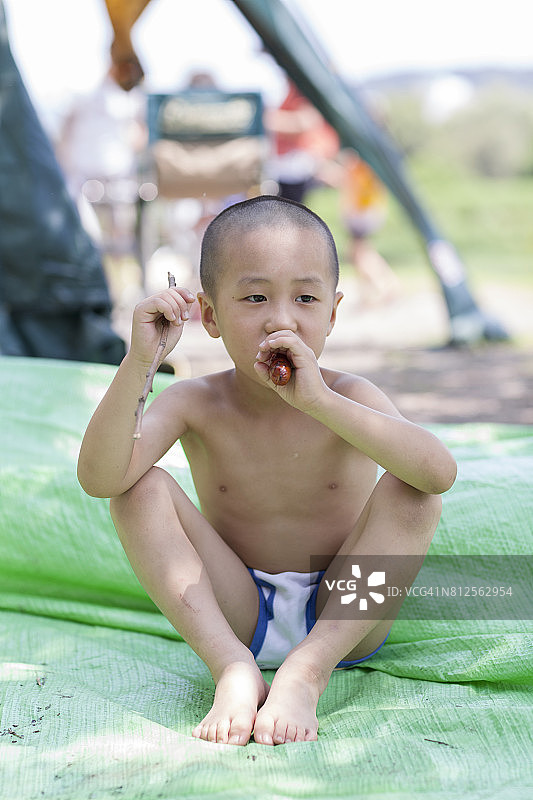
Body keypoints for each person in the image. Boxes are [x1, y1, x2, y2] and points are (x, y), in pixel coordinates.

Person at [77, 195, 457, 746]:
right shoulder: (193, 402)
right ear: (209, 315)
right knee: (138, 489)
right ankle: (232, 669)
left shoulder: (350, 396)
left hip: (345, 610)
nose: (282, 318)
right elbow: (101, 478)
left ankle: (308, 671)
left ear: (332, 312)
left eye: (305, 297)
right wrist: (142, 362)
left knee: (414, 491)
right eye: (255, 297)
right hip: (238, 611)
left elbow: (438, 472)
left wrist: (320, 402)